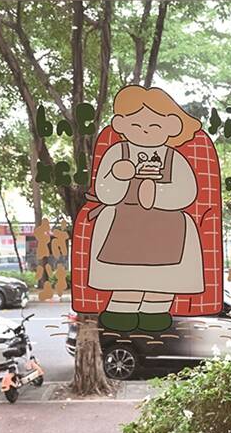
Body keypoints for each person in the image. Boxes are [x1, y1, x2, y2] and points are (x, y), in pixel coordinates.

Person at [86, 85, 204, 332]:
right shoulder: (118, 152)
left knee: (162, 278)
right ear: (120, 124)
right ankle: (121, 309)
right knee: (126, 274)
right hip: (123, 223)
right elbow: (104, 193)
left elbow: (187, 192)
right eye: (136, 125)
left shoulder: (174, 158)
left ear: (171, 127)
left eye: (154, 126)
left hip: (167, 226)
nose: (145, 131)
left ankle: (155, 309)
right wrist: (117, 175)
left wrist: (156, 194)